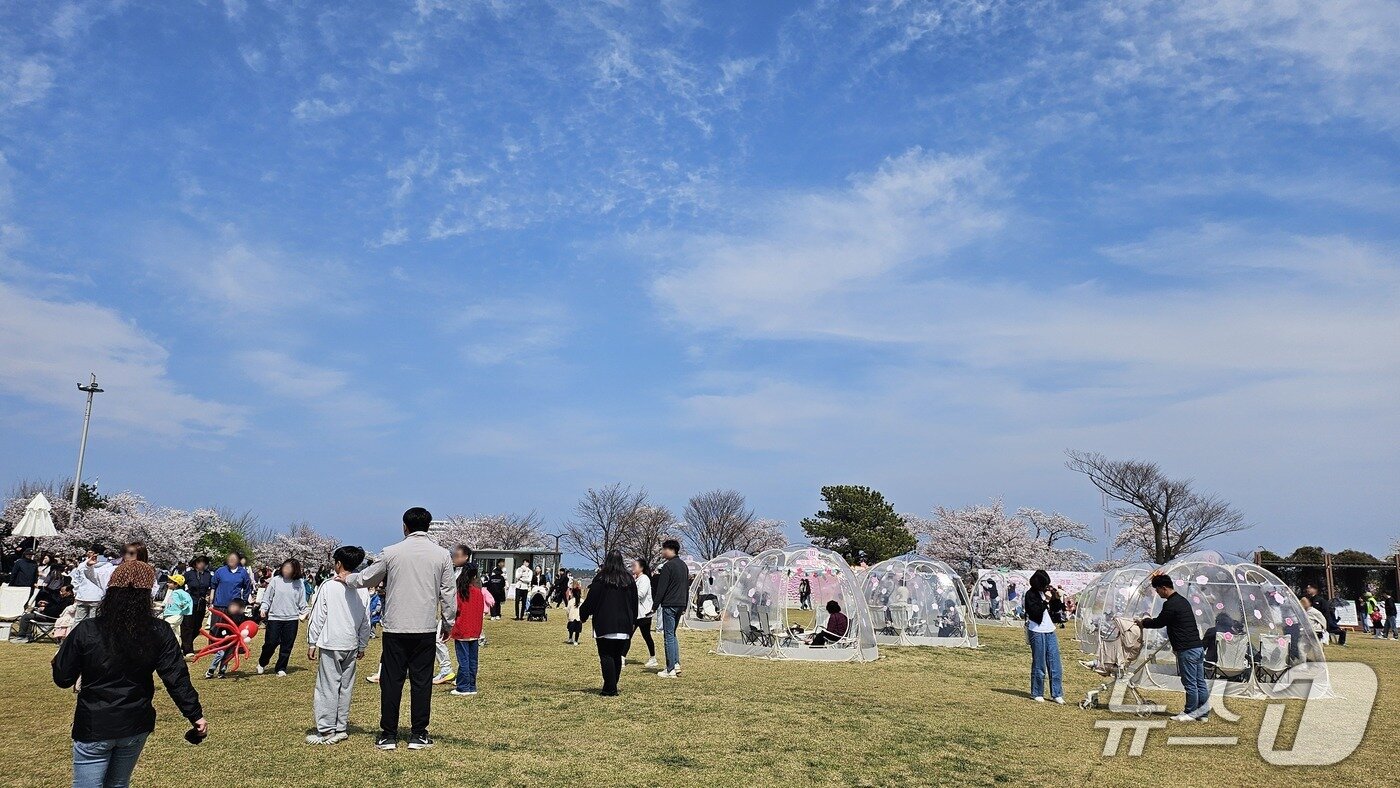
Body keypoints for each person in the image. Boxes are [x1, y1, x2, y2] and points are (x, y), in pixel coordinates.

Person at [53, 560, 206, 788]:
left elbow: (63, 677)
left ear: (111, 592)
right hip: (134, 723)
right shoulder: (159, 630)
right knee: (118, 784)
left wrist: (60, 660)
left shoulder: (88, 629)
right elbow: (176, 677)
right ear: (147, 595)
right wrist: (195, 715)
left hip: (95, 724)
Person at [342, 507, 455, 751]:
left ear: (405, 527)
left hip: (395, 627)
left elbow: (367, 578)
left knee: (391, 681)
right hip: (424, 626)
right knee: (422, 682)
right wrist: (448, 622)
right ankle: (418, 734)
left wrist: (346, 578)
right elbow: (448, 592)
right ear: (428, 526)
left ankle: (388, 734)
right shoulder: (441, 555)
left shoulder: (391, 552)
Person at [306, 546, 371, 745]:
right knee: (345, 687)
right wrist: (362, 644)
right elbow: (366, 620)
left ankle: (326, 729)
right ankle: (340, 727)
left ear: (339, 563)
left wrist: (312, 641)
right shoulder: (362, 589)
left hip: (331, 642)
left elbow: (318, 615)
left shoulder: (328, 585)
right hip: (351, 643)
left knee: (327, 686)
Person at [1137, 573, 1208, 721]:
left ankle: (1190, 713)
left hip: (1187, 649)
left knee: (1190, 683)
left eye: (1157, 590)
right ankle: (1203, 714)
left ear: (1164, 588)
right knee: (1200, 682)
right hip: (1197, 647)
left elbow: (1159, 622)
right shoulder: (1183, 601)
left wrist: (1144, 623)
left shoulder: (1171, 604)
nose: (1157, 593)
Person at [579, 550, 638, 696]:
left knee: (606, 655)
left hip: (604, 622)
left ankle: (610, 688)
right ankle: (612, 684)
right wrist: (633, 621)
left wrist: (583, 614)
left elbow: (591, 600)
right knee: (617, 655)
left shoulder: (601, 578)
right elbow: (634, 602)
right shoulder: (628, 579)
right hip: (624, 623)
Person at [257, 559, 308, 677]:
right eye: (285, 567)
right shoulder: (276, 580)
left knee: (287, 645)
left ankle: (281, 667)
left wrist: (305, 612)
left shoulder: (299, 583)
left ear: (295, 570)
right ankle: (262, 662)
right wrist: (264, 608)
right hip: (275, 618)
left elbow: (302, 602)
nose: (286, 570)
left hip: (291, 619)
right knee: (270, 643)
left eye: (289, 568)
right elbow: (267, 597)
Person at [433, 545, 474, 686]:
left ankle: (452, 672)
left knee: (460, 646)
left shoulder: (470, 573)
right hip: (451, 611)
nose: (453, 558)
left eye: (457, 556)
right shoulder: (453, 571)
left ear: (466, 557)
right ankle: (450, 671)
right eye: (453, 556)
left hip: (460, 613)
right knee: (440, 640)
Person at [1023, 569, 1065, 704]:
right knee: (1039, 663)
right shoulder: (1030, 595)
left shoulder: (1048, 591)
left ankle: (1056, 693)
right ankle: (1037, 692)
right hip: (1036, 630)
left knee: (1055, 663)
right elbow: (1035, 613)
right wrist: (1046, 600)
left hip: (1050, 630)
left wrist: (1057, 598)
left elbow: (1056, 610)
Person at [447, 564, 487, 696]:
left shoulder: (460, 592)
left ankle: (463, 686)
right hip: (475, 630)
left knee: (463, 660)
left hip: (462, 629)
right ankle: (471, 685)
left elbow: (454, 610)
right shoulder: (478, 592)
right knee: (472, 660)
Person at [652, 539, 689, 679]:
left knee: (668, 636)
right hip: (680, 603)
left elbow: (661, 589)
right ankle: (676, 664)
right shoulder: (683, 565)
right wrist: (685, 604)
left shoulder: (668, 566)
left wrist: (654, 606)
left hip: (669, 604)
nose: (662, 552)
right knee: (672, 634)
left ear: (669, 549)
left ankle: (670, 669)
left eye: (663, 549)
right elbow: (686, 587)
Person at [204, 597, 250, 679]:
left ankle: (222, 671)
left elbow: (245, 624)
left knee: (227, 656)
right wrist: (225, 635)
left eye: (236, 606)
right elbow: (222, 627)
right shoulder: (226, 616)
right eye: (232, 606)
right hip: (224, 639)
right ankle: (211, 670)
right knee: (220, 654)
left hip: (233, 641)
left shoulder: (241, 617)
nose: (233, 608)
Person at [626, 557, 657, 669]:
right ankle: (622, 657)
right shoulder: (636, 579)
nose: (633, 568)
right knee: (629, 635)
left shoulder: (644, 579)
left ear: (642, 568)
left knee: (645, 636)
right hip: (636, 613)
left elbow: (641, 594)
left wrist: (628, 594)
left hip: (643, 614)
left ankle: (653, 658)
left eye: (635, 566)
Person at [180, 556, 212, 655]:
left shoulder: (208, 575)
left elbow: (212, 587)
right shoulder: (189, 574)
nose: (202, 564)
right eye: (199, 562)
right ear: (195, 564)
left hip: (201, 603)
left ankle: (184, 645)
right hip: (189, 602)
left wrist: (209, 596)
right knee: (187, 625)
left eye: (204, 562)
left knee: (197, 626)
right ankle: (188, 650)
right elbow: (180, 584)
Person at [210, 552, 254, 620]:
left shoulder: (243, 573)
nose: (231, 560)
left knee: (231, 626)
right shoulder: (220, 571)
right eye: (230, 558)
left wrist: (243, 603)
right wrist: (211, 601)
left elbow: (247, 588)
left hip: (234, 607)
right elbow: (213, 587)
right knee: (216, 626)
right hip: (219, 605)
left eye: (234, 559)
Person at [160, 575, 193, 641]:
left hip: (175, 615)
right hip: (170, 615)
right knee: (175, 632)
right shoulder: (173, 592)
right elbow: (170, 603)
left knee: (165, 629)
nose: (167, 583)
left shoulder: (180, 592)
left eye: (170, 582)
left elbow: (188, 600)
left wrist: (183, 606)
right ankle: (177, 645)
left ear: (176, 584)